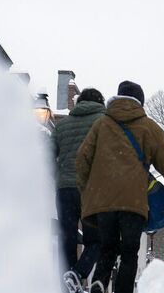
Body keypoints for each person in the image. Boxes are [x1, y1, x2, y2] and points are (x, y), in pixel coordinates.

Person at [75, 81, 164, 293]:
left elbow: (82, 160)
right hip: (133, 204)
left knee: (107, 248)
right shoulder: (149, 128)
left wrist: (88, 191)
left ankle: (99, 284)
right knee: (129, 252)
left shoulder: (101, 125)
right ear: (140, 103)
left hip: (102, 202)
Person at [51, 88, 106, 293]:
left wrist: (58, 175)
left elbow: (47, 156)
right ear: (100, 102)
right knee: (96, 240)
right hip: (91, 189)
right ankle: (78, 273)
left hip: (64, 189)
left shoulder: (62, 125)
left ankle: (66, 286)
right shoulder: (104, 123)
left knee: (67, 237)